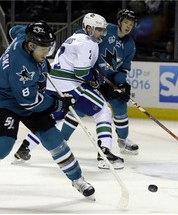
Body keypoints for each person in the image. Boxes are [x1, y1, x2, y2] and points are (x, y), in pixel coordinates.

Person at [13, 13, 124, 170]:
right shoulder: (87, 43)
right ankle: (104, 154)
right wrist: (94, 80)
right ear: (88, 28)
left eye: (102, 30)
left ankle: (24, 148)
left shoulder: (73, 38)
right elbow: (81, 72)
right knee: (103, 111)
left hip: (53, 85)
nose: (101, 33)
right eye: (98, 30)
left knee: (52, 119)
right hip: (70, 86)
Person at [0, 20, 95, 200]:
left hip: (26, 96)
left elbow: (14, 30)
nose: (47, 53)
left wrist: (42, 66)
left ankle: (78, 179)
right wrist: (58, 104)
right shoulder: (21, 66)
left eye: (49, 48)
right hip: (6, 102)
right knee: (4, 146)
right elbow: (30, 102)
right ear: (30, 45)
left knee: (54, 139)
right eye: (43, 50)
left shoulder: (24, 36)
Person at [96, 9, 139, 155]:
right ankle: (62, 139)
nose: (128, 26)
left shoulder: (130, 45)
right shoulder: (106, 29)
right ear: (119, 21)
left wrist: (122, 85)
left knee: (120, 105)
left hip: (109, 81)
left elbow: (123, 69)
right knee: (81, 109)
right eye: (126, 22)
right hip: (92, 78)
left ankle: (123, 141)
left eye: (131, 24)